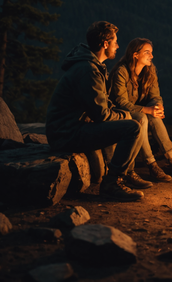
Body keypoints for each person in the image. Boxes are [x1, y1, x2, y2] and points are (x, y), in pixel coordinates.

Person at [46, 21, 151, 202]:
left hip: (72, 127)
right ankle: (112, 184)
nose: (118, 46)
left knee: (136, 120)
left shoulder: (92, 66)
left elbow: (101, 106)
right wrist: (124, 115)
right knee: (132, 127)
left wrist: (123, 114)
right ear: (105, 44)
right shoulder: (88, 70)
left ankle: (122, 174)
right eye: (115, 42)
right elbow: (101, 114)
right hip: (66, 133)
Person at [109, 38, 172, 182]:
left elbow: (155, 96)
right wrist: (147, 109)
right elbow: (121, 102)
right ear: (135, 54)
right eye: (147, 52)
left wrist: (157, 107)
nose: (151, 56)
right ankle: (151, 164)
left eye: (151, 52)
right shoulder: (122, 72)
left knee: (154, 116)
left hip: (140, 109)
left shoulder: (149, 71)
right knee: (142, 118)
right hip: (121, 112)